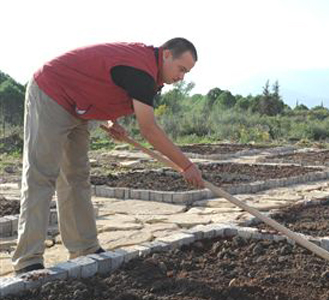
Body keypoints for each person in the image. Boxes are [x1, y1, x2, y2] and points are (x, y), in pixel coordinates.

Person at [13, 38, 204, 274]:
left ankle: (84, 249)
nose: (182, 77)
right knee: (41, 175)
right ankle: (28, 260)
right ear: (166, 55)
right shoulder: (141, 70)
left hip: (77, 105)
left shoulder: (149, 72)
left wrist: (110, 120)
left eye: (187, 72)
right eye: (181, 69)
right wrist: (186, 165)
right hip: (52, 92)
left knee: (76, 177)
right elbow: (149, 129)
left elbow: (103, 80)